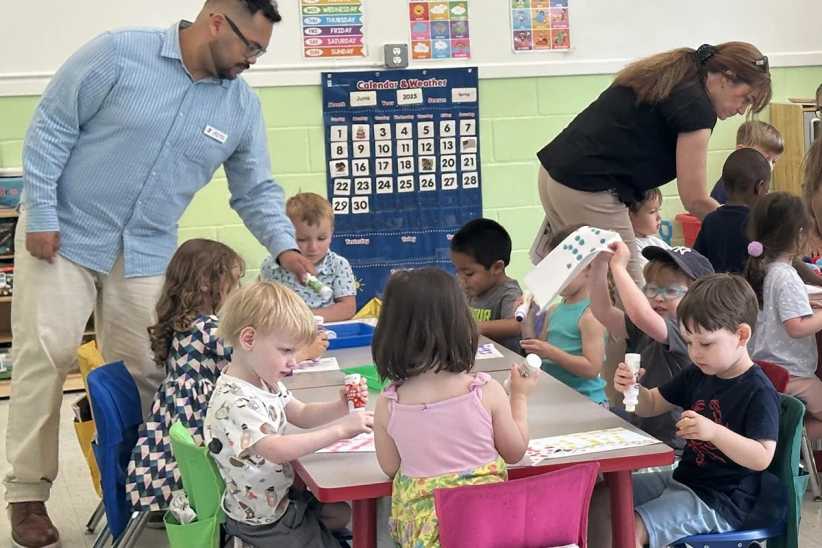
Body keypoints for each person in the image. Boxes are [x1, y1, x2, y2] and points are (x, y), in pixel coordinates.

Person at [5, 2, 318, 544]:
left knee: (154, 371)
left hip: (146, 248)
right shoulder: (118, 54)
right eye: (251, 47)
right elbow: (51, 128)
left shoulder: (240, 104)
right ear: (217, 21)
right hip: (65, 233)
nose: (253, 61)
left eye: (262, 53)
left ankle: (154, 490)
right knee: (47, 357)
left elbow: (255, 187)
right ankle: (26, 495)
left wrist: (285, 247)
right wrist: (44, 214)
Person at [532, 42, 772, 283]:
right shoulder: (697, 107)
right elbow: (695, 199)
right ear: (726, 77)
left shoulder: (681, 74)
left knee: (580, 281)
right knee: (628, 292)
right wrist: (746, 230)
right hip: (585, 186)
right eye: (745, 99)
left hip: (555, 175)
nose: (742, 111)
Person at [612, 273, 782, 546]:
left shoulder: (759, 391)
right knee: (605, 495)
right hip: (685, 480)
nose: (695, 353)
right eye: (689, 342)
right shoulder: (699, 373)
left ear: (741, 335)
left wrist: (714, 432)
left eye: (705, 343)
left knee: (631, 526)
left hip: (721, 502)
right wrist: (632, 389)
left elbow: (762, 457)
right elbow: (651, 404)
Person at [372, 268, 538, 547]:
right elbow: (515, 451)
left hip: (427, 539)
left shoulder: (390, 404)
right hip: (491, 533)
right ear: (461, 324)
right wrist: (519, 397)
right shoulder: (485, 392)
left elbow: (391, 468)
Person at [204, 281, 373, 547]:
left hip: (284, 498)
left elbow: (302, 414)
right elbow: (277, 449)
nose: (294, 361)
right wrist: (341, 430)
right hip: (263, 519)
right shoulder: (236, 400)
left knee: (340, 513)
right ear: (248, 339)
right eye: (286, 351)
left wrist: (340, 406)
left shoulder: (264, 381)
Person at [124, 239, 242, 512]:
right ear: (205, 283)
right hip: (196, 420)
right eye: (232, 283)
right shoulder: (207, 327)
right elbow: (248, 356)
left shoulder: (182, 321)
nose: (233, 291)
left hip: (173, 420)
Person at [590, 242, 714, 450]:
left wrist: (619, 267)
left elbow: (640, 314)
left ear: (698, 299)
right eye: (652, 289)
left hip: (673, 445)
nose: (658, 297)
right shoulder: (647, 329)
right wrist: (600, 266)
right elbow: (602, 310)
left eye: (671, 290)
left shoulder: (688, 332)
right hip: (642, 432)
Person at [746, 193, 822, 440]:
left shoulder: (764, 269)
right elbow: (796, 327)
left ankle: (780, 443)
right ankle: (783, 446)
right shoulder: (786, 275)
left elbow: (778, 310)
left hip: (767, 369)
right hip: (791, 375)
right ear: (798, 234)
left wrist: (807, 303)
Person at [520, 225, 609, 405]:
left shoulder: (590, 316)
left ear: (588, 267)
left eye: (561, 269)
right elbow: (539, 353)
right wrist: (526, 321)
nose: (554, 277)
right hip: (558, 399)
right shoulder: (554, 310)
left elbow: (592, 368)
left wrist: (550, 352)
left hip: (586, 402)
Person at [261, 192, 357, 322]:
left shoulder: (338, 265)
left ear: (331, 232)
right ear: (286, 235)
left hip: (324, 331)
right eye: (302, 239)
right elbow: (263, 307)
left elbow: (348, 308)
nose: (313, 247)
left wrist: (306, 318)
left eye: (321, 238)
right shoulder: (271, 265)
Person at [450, 218, 523, 353]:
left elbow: (516, 324)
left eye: (468, 273)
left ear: (497, 267)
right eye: (457, 271)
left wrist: (474, 327)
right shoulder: (469, 289)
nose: (460, 279)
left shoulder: (509, 292)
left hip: (506, 364)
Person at [694, 148, 771, 273]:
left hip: (715, 291)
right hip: (748, 291)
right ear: (759, 187)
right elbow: (780, 259)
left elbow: (696, 262)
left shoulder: (710, 220)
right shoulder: (760, 223)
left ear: (724, 185)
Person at [709, 121, 783, 204]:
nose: (769, 166)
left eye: (773, 162)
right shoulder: (731, 186)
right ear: (741, 151)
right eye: (765, 158)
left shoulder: (757, 184)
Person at [626, 188, 671, 278]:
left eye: (659, 210)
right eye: (652, 212)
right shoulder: (631, 247)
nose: (659, 217)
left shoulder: (656, 242)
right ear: (629, 216)